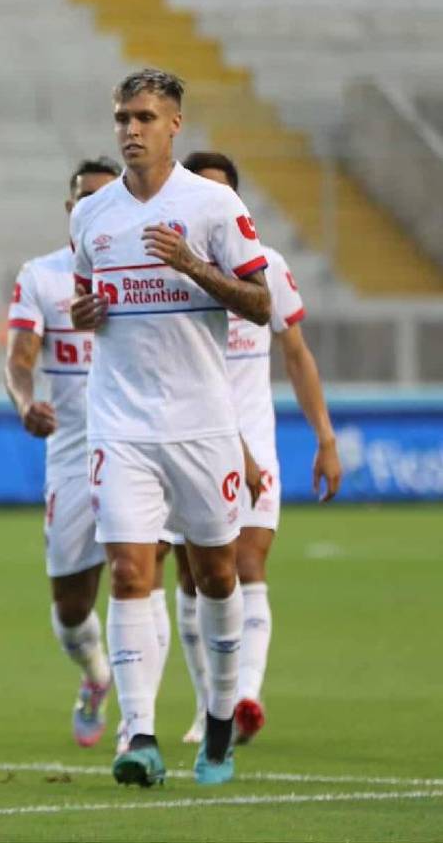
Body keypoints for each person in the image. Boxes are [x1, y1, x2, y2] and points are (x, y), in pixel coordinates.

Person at [69, 68, 272, 787]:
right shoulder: (92, 216)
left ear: (175, 124)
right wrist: (83, 314)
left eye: (145, 117)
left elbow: (260, 302)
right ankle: (141, 733)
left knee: (215, 576)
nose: (130, 129)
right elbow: (86, 301)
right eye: (123, 116)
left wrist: (192, 266)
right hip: (120, 425)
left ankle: (218, 717)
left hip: (202, 426)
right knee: (129, 570)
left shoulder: (213, 206)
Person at [168, 150, 342, 746]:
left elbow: (295, 353)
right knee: (196, 580)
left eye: (223, 194)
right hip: (191, 438)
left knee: (247, 566)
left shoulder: (267, 266)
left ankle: (245, 695)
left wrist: (324, 438)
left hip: (257, 440)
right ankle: (208, 705)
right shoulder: (172, 273)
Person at [3, 157, 120, 748]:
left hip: (139, 446)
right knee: (72, 610)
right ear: (70, 209)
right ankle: (97, 676)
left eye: (103, 195)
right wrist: (26, 404)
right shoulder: (43, 277)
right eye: (80, 198)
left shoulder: (145, 276)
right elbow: (21, 360)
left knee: (138, 579)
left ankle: (145, 726)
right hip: (73, 458)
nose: (88, 205)